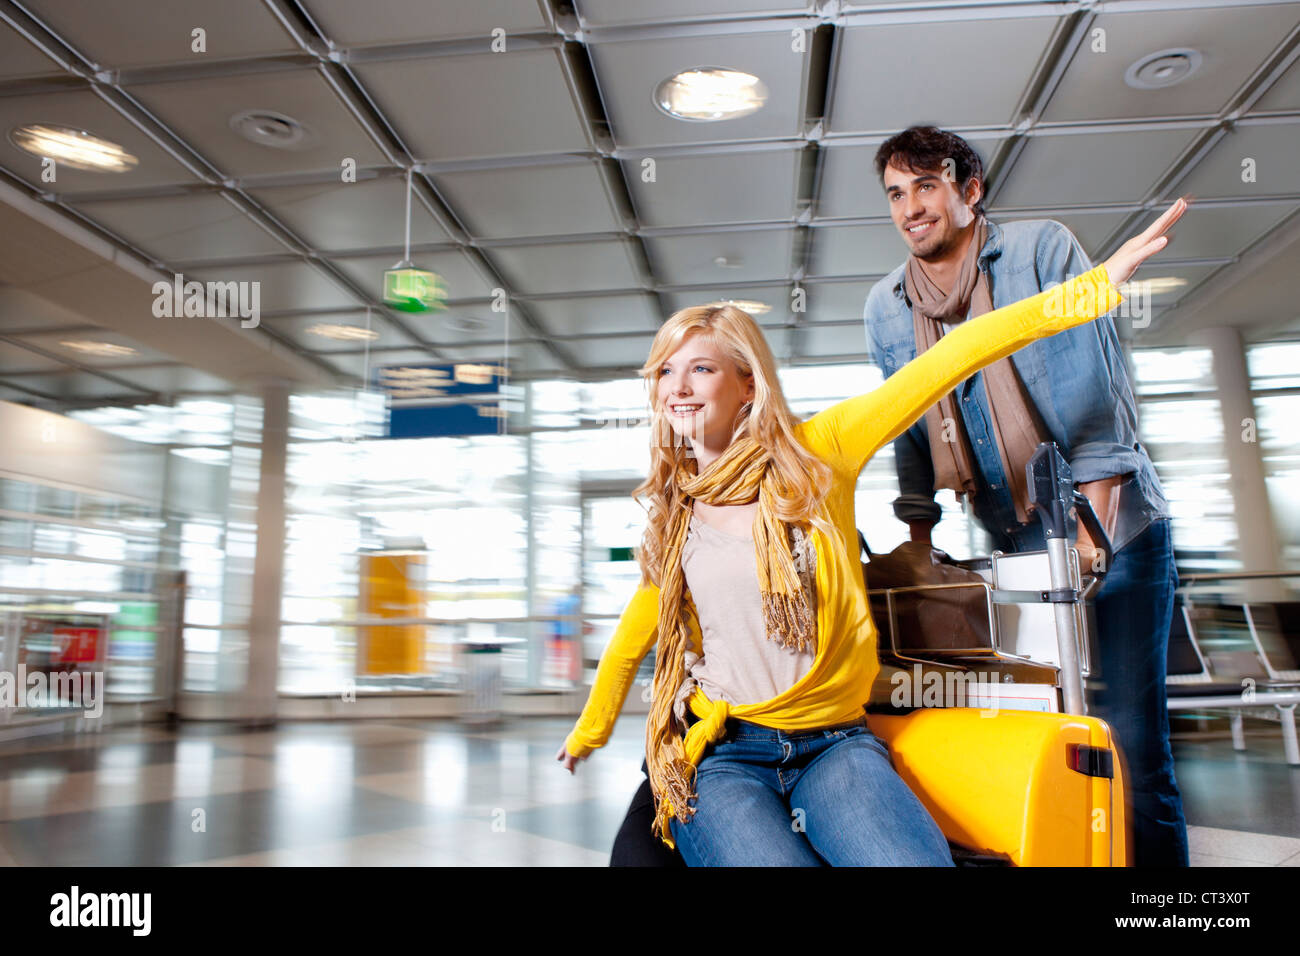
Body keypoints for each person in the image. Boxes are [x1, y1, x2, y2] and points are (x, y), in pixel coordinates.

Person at [556, 199, 1186, 866]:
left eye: (700, 368)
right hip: (723, 756)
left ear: (748, 385)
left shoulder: (821, 450)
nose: (676, 388)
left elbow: (957, 354)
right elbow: (637, 630)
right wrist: (590, 731)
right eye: (664, 371)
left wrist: (1092, 288)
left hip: (834, 744)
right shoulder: (677, 513)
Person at [862, 126, 1189, 867]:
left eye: (926, 185)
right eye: (895, 193)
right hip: (1014, 541)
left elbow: (1094, 400)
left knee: (1129, 739)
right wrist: (919, 542)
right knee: (1055, 729)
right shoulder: (886, 308)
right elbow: (907, 423)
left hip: (1116, 531)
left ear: (969, 190)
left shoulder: (1040, 251)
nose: (910, 207)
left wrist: (1088, 541)